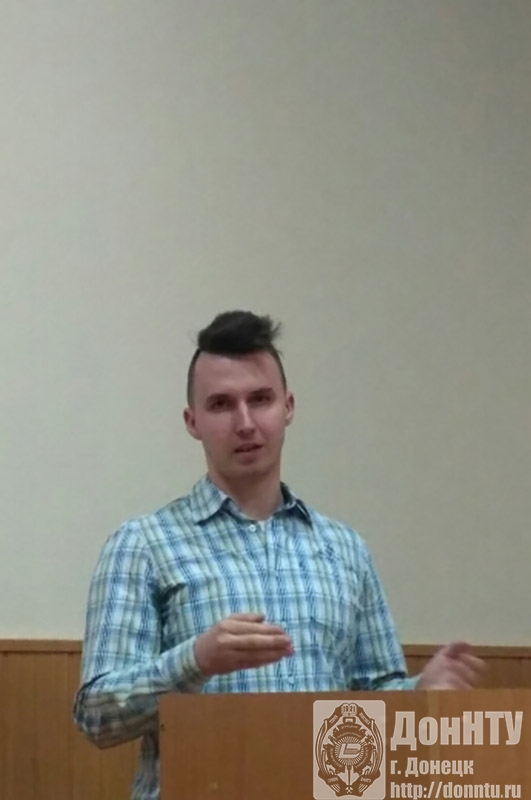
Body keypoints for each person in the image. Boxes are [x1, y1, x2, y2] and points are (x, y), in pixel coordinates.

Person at [73, 310, 484, 800]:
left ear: (287, 407)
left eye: (260, 399)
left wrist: (418, 694)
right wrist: (195, 661)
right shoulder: (142, 544)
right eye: (221, 404)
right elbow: (96, 716)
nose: (245, 422)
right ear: (192, 421)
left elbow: (369, 703)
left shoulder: (345, 549)